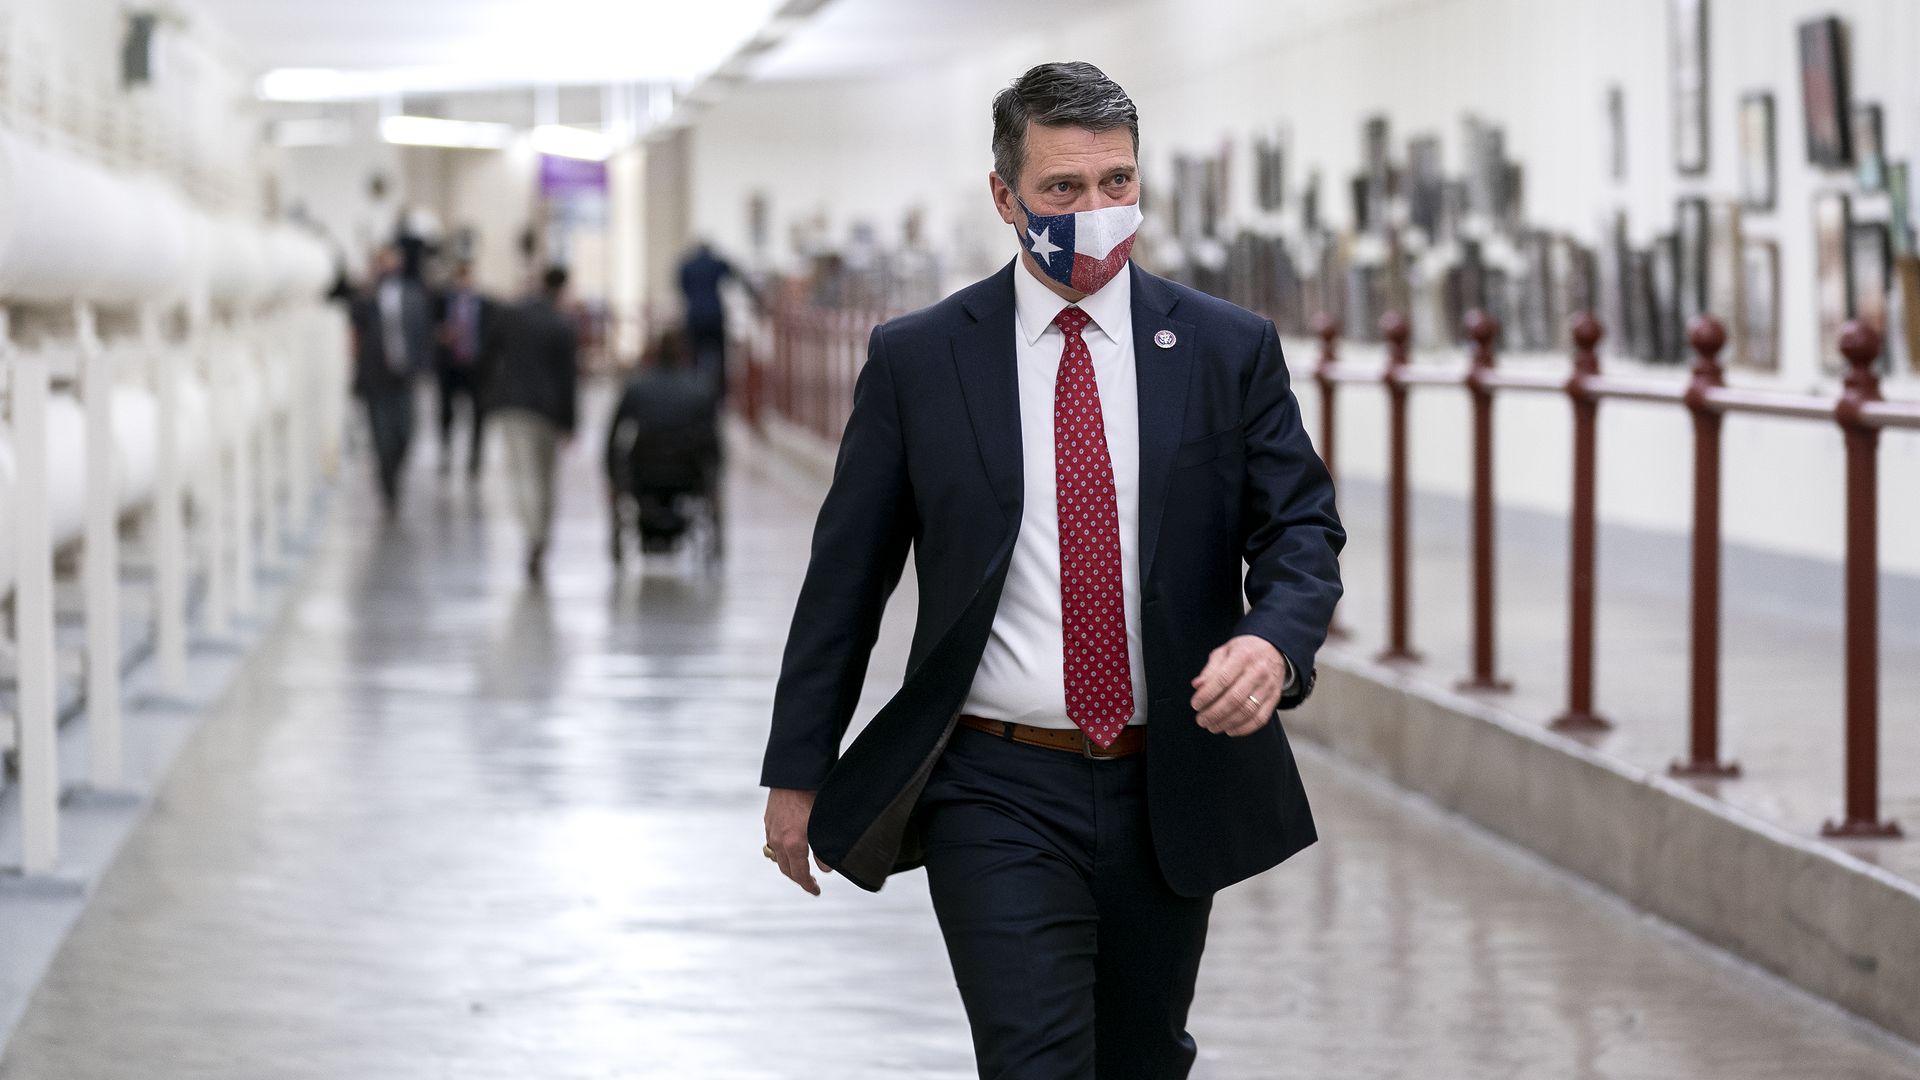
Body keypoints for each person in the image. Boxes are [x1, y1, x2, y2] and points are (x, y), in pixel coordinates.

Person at [759, 62, 1344, 1079]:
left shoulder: (1222, 348)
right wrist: (797, 771)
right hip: (995, 782)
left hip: (1168, 779)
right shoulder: (922, 360)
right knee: (1035, 1058)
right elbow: (846, 582)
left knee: (1142, 1056)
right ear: (1005, 197)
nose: (1096, 211)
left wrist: (1272, 638)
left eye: (1116, 183)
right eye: (1062, 190)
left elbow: (1301, 528)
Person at [487, 266, 580, 579]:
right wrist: (570, 424)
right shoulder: (561, 326)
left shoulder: (511, 316)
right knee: (546, 477)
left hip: (513, 407)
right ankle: (542, 536)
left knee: (524, 476)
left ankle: (533, 534)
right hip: (548, 412)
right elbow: (569, 381)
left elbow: (487, 350)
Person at [604, 328, 722, 561]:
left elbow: (613, 436)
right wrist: (713, 479)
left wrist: (612, 475)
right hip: (688, 476)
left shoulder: (637, 388)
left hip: (642, 475)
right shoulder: (699, 390)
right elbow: (713, 444)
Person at [349, 246, 434, 515]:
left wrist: (422, 366)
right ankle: (388, 487)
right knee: (382, 437)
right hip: (376, 378)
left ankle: (395, 475)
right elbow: (354, 336)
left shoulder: (413, 296)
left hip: (404, 375)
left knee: (406, 433)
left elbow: (422, 332)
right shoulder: (366, 298)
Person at [676, 240, 759, 396]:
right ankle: (721, 391)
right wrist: (753, 294)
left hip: (694, 316)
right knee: (719, 355)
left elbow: (681, 286)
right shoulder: (716, 263)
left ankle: (693, 390)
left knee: (694, 354)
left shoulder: (687, 265)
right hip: (714, 315)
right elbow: (736, 274)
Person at [434, 262, 492, 478]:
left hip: (475, 368)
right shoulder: (441, 302)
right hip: (450, 366)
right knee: (446, 413)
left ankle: (475, 458)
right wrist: (440, 335)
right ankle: (446, 453)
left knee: (478, 414)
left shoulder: (485, 304)